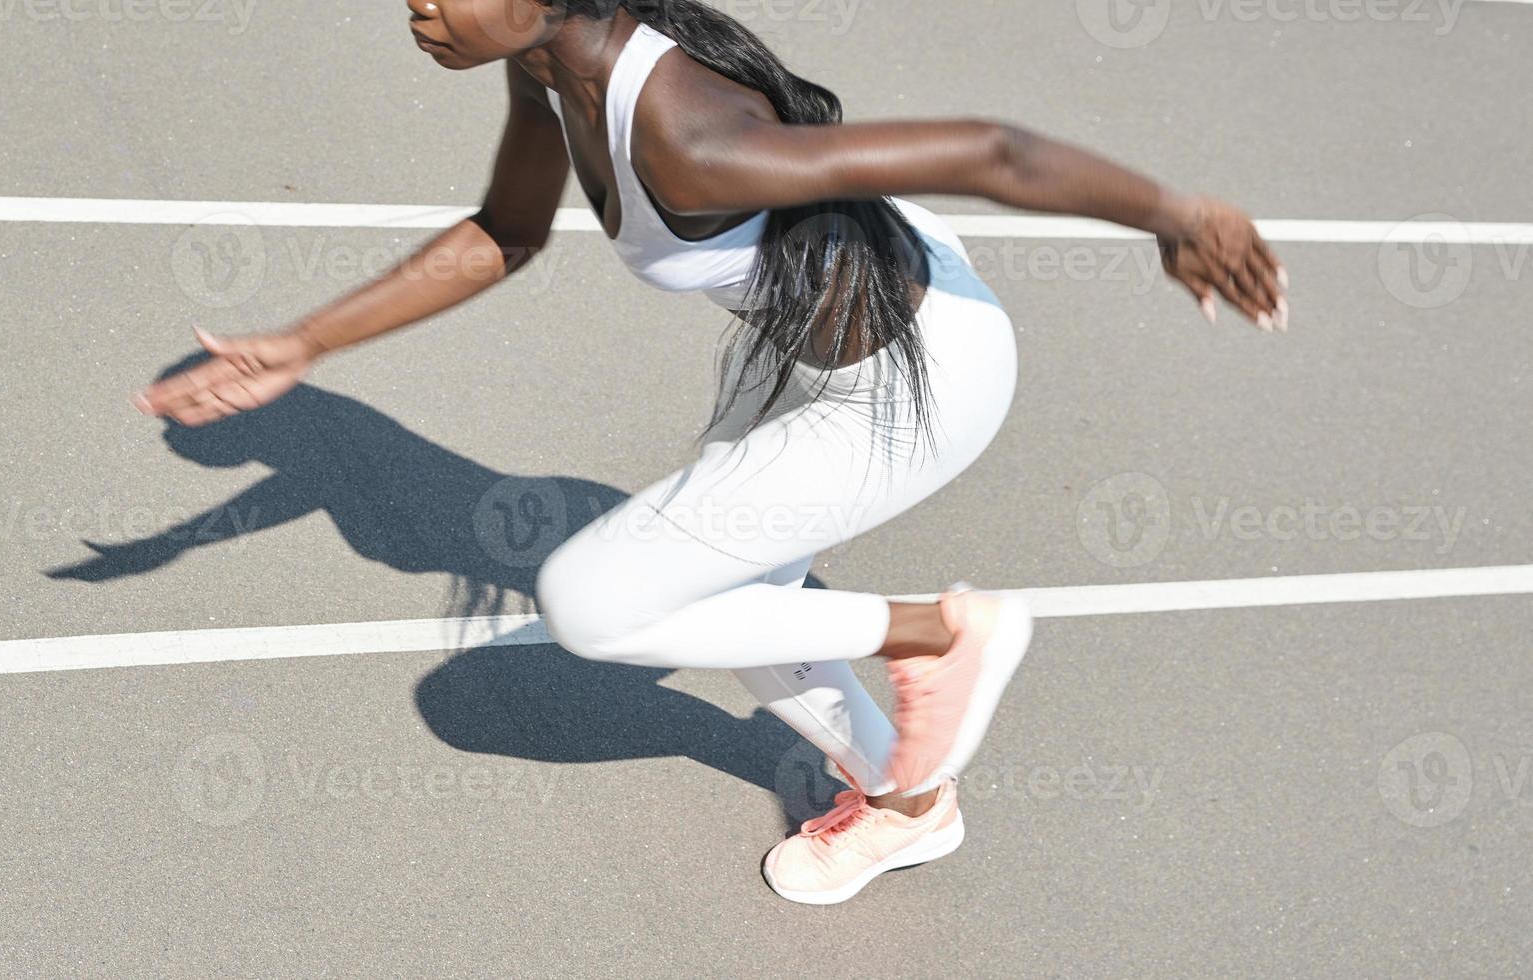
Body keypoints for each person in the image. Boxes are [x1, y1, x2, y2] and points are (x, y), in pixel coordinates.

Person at [136, 0, 1287, 905]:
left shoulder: (681, 134)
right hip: (808, 341)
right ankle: (910, 800)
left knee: (591, 601)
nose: (417, 5)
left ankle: (936, 633)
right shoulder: (549, 57)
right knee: (730, 605)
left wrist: (1180, 219)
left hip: (912, 387)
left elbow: (992, 149)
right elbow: (508, 231)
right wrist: (300, 343)